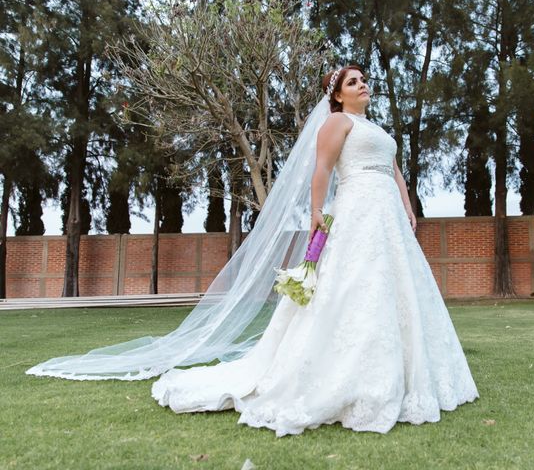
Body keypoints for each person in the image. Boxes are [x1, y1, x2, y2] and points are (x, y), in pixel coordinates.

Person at [26, 64, 478, 437]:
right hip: (356, 210)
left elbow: (395, 170)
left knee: (394, 288)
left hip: (388, 219)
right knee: (352, 285)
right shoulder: (337, 123)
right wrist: (317, 211)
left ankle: (406, 372)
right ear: (337, 96)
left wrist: (408, 205)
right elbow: (322, 168)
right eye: (353, 82)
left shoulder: (376, 128)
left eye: (363, 80)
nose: (363, 85)